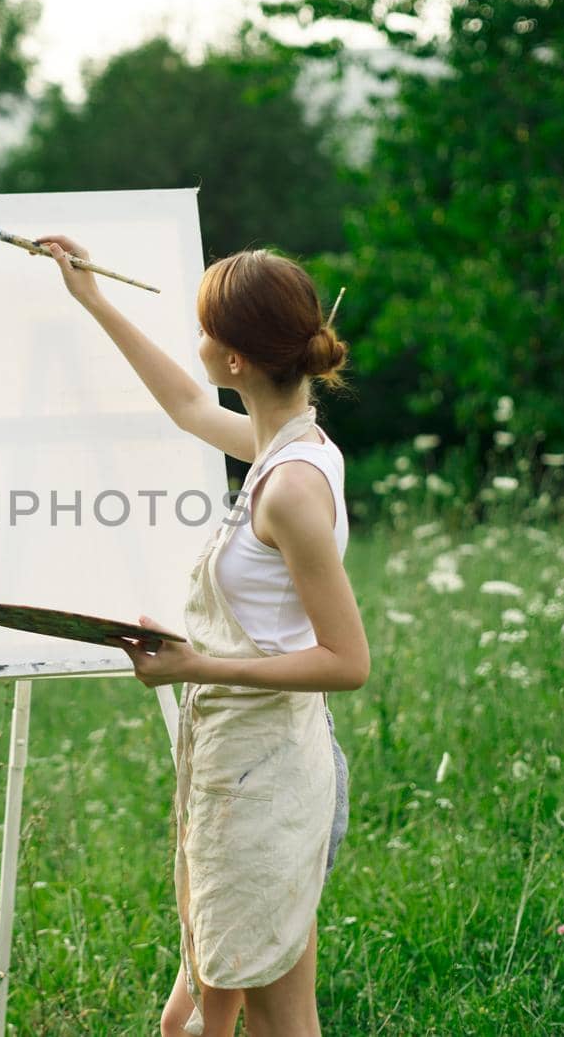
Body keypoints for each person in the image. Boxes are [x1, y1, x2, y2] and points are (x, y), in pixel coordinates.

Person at [34, 235, 370, 1037]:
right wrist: (94, 299)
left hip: (266, 776)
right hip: (248, 765)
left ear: (237, 358)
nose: (198, 344)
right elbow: (189, 406)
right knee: (225, 1012)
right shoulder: (286, 445)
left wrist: (195, 663)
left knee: (233, 1021)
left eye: (203, 328)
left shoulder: (291, 486)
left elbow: (348, 661)